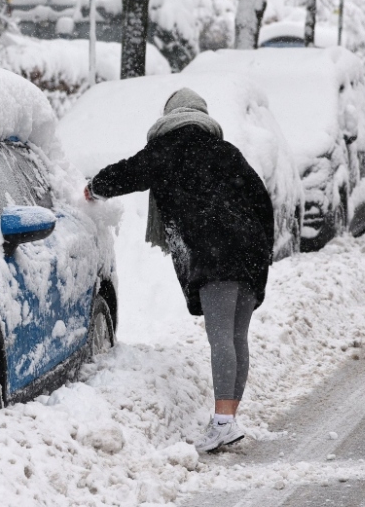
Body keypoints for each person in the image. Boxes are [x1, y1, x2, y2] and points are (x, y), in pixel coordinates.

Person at [84, 88, 275, 453]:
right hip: (249, 253)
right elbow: (262, 200)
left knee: (220, 336)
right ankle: (226, 419)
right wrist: (262, 251)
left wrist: (94, 187)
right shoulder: (227, 152)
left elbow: (130, 172)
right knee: (236, 336)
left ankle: (223, 421)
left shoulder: (170, 147)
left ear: (171, 115)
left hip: (216, 252)